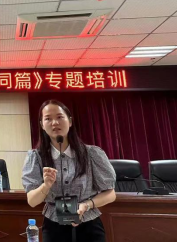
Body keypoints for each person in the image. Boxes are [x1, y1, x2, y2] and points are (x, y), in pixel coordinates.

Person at [22, 100, 117, 242]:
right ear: (42, 125)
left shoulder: (92, 154)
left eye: (60, 117)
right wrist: (46, 186)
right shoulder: (36, 157)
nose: (55, 123)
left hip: (89, 224)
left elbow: (111, 194)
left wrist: (86, 205)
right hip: (54, 226)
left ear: (70, 121)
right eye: (48, 119)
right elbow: (32, 201)